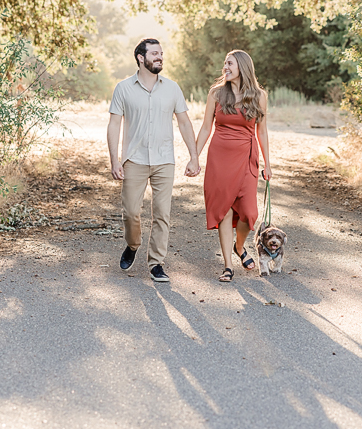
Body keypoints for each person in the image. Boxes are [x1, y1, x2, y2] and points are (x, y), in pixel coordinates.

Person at [107, 38, 201, 282]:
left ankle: (156, 263)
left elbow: (183, 122)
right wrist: (115, 160)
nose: (160, 57)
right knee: (130, 212)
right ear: (141, 57)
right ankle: (133, 244)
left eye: (161, 53)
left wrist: (194, 156)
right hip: (134, 159)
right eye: (155, 53)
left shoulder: (172, 88)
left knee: (162, 213)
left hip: (163, 160)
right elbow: (114, 124)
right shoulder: (123, 88)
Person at [195, 50, 271, 282]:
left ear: (242, 67)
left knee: (249, 214)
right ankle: (228, 265)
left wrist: (268, 163)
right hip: (220, 158)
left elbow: (262, 130)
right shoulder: (216, 93)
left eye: (229, 64)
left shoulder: (259, 96)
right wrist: (194, 157)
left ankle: (240, 246)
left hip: (247, 157)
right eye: (225, 63)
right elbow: (206, 127)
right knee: (225, 211)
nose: (225, 67)